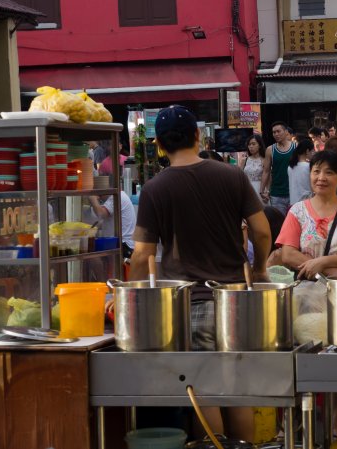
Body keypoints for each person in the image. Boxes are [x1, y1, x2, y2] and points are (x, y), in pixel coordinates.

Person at [130, 105, 271, 439]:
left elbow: (142, 255)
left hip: (190, 302)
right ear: (198, 135)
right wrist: (259, 267)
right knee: (237, 390)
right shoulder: (232, 175)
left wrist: (132, 298)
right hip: (236, 300)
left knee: (204, 390)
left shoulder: (154, 189)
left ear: (160, 146)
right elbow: (262, 231)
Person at [277, 150, 337, 280]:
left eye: (329, 172)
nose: (321, 178)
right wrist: (328, 272)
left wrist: (322, 262)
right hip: (306, 293)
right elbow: (288, 254)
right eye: (316, 171)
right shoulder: (297, 211)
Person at [261, 121, 296, 214]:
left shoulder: (295, 147)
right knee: (279, 223)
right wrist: (262, 190)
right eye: (274, 132)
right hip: (276, 193)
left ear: (286, 132)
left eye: (278, 131)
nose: (276, 134)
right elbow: (266, 171)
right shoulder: (270, 149)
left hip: (293, 192)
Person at [288, 139, 315, 206]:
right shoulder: (308, 166)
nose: (313, 153)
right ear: (307, 151)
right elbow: (313, 187)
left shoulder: (290, 167)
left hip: (293, 203)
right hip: (306, 203)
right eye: (312, 151)